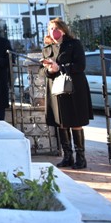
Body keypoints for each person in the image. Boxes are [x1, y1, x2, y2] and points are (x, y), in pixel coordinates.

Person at [40, 18, 92, 170]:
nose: (53, 31)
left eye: (56, 28)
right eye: (50, 29)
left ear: (63, 29)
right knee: (61, 122)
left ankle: (81, 158)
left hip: (74, 87)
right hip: (56, 89)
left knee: (75, 121)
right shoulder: (47, 48)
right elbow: (42, 71)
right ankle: (67, 156)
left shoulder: (74, 44)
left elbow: (80, 65)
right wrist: (49, 70)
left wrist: (60, 67)